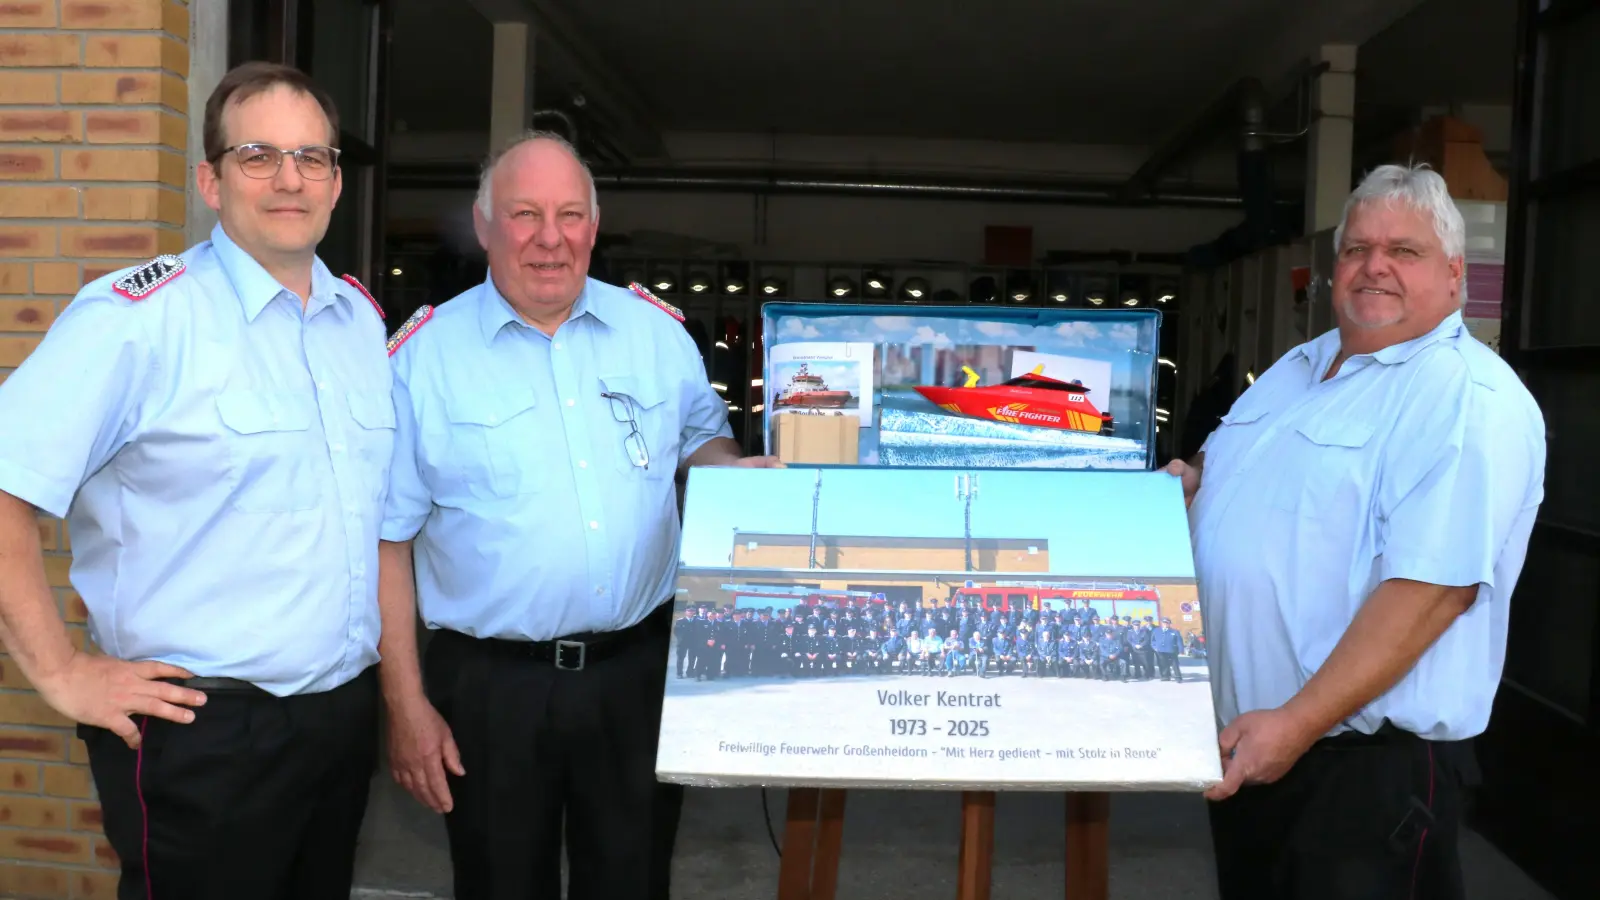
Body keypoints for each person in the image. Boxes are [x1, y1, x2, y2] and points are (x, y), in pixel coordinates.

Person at [0, 62, 389, 899]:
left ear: (336, 182)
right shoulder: (138, 322)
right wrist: (61, 671)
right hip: (203, 737)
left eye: (311, 157)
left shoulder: (358, 322)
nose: (289, 179)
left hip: (337, 723)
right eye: (258, 155)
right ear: (211, 181)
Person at [375, 130, 780, 900]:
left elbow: (701, 439)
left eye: (569, 215)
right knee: (499, 883)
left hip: (635, 675)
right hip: (493, 690)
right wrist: (405, 704)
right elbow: (388, 544)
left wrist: (738, 474)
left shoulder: (657, 335)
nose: (549, 238)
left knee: (632, 879)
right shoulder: (420, 360)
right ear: (484, 224)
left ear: (595, 227)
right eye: (524, 214)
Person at [1166, 163, 1545, 900]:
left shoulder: (1464, 396)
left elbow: (1434, 589)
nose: (1374, 267)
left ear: (1455, 276)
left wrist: (1299, 722)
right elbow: (1230, 476)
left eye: (1404, 251)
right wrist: (1189, 491)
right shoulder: (1297, 367)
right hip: (1262, 748)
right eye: (1356, 249)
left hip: (1361, 771)